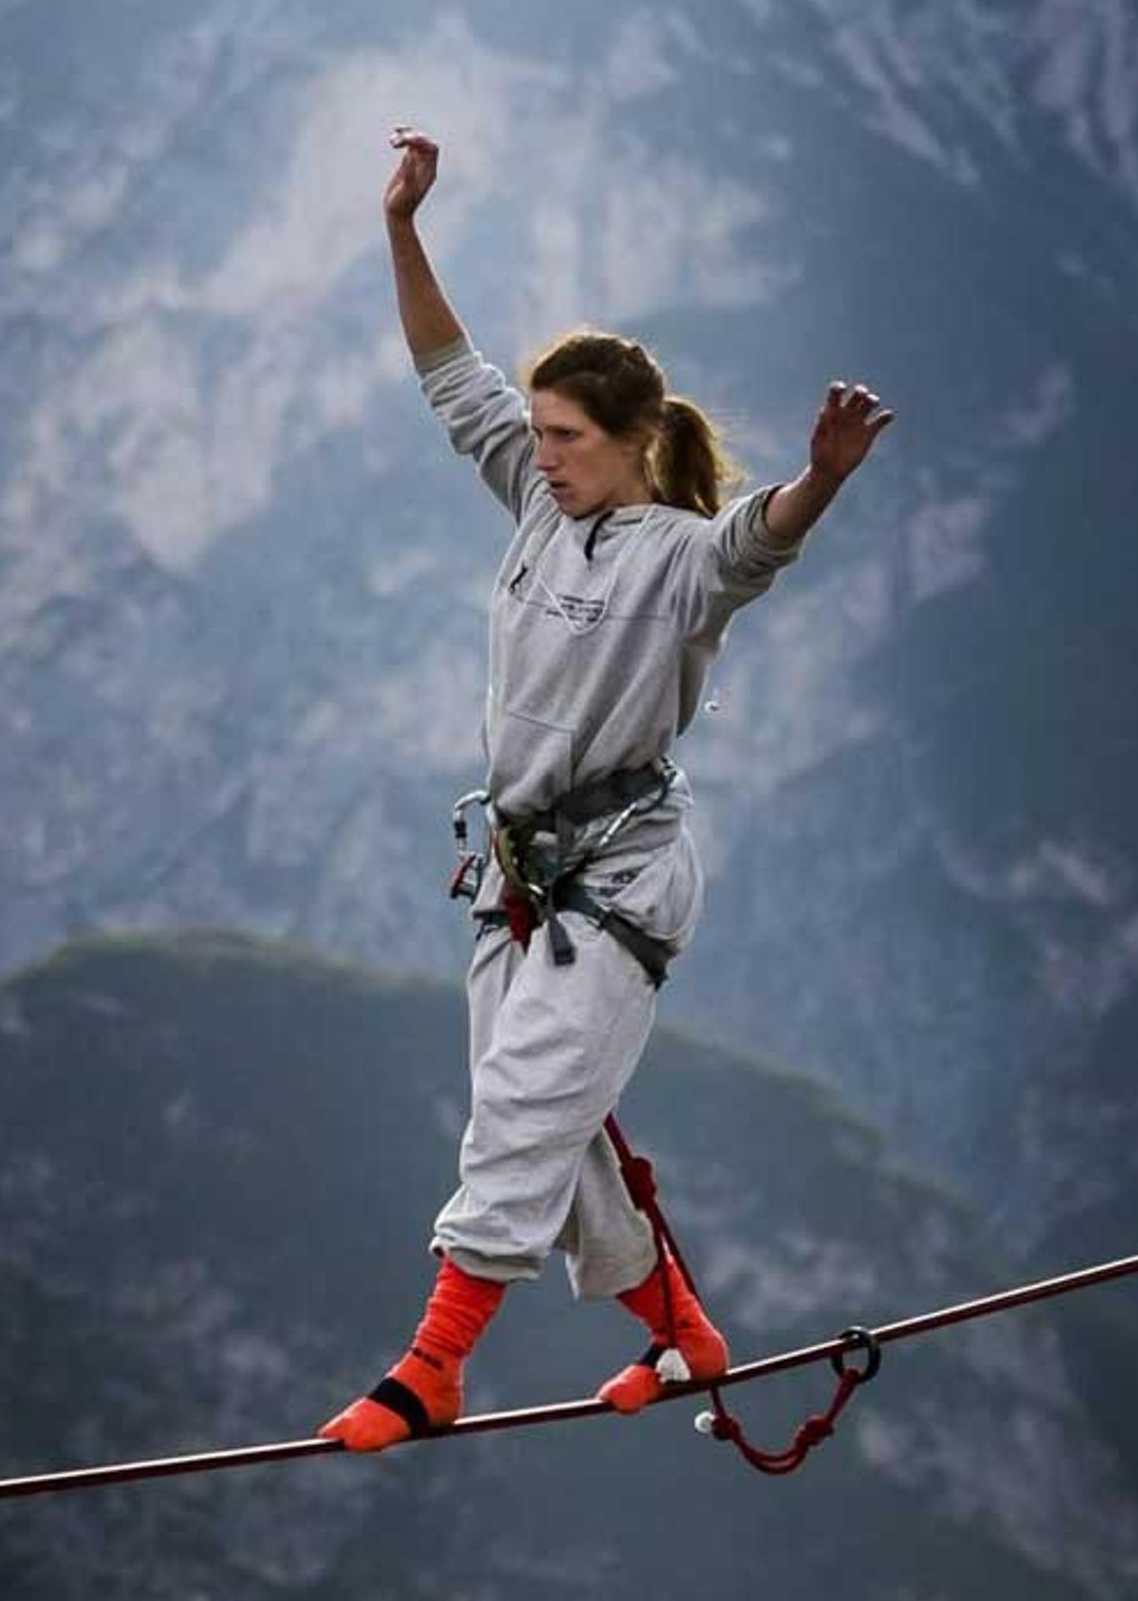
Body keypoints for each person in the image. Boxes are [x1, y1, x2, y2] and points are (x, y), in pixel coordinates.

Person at [324, 124, 896, 1452]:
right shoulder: (534, 495)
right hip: (522, 876)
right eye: (541, 432)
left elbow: (763, 541)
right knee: (560, 1143)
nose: (548, 451)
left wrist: (824, 474)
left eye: (571, 435)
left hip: (623, 878)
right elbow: (442, 368)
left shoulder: (682, 559)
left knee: (525, 1108)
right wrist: (403, 226)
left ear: (637, 440)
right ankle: (685, 1336)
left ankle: (433, 1369)